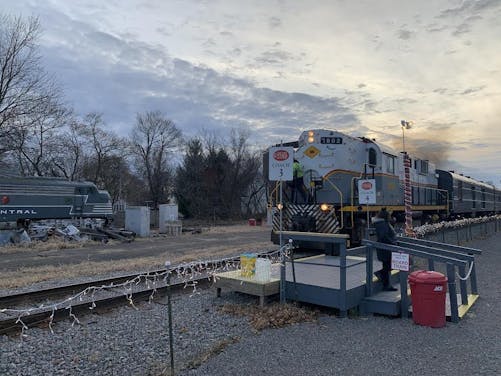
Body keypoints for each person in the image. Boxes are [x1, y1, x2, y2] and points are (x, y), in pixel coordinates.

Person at [372, 208, 398, 291]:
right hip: (386, 248)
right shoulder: (382, 224)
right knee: (388, 265)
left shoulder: (382, 223)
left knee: (387, 265)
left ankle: (386, 285)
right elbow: (383, 236)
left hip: (386, 248)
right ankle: (381, 276)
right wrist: (392, 243)